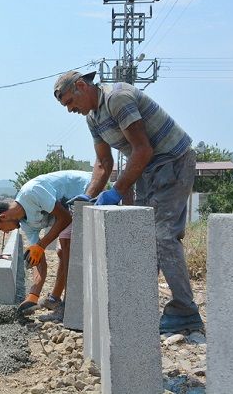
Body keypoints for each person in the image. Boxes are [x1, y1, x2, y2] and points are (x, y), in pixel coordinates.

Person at [53, 70, 204, 334]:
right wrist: (90, 195)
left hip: (173, 161)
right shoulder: (93, 117)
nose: (69, 110)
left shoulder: (118, 98)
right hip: (146, 168)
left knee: (163, 236)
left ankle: (185, 312)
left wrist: (117, 191)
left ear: (81, 86)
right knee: (143, 235)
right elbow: (103, 163)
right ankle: (141, 304)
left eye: (69, 102)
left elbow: (143, 148)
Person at [0, 170, 92, 317]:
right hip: (71, 207)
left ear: (3, 216)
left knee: (65, 244)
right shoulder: (26, 224)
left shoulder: (32, 193)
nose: (5, 233)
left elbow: (64, 219)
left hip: (88, 189)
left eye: (1, 229)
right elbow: (39, 260)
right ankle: (54, 299)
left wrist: (41, 245)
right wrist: (33, 295)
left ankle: (70, 306)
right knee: (61, 251)